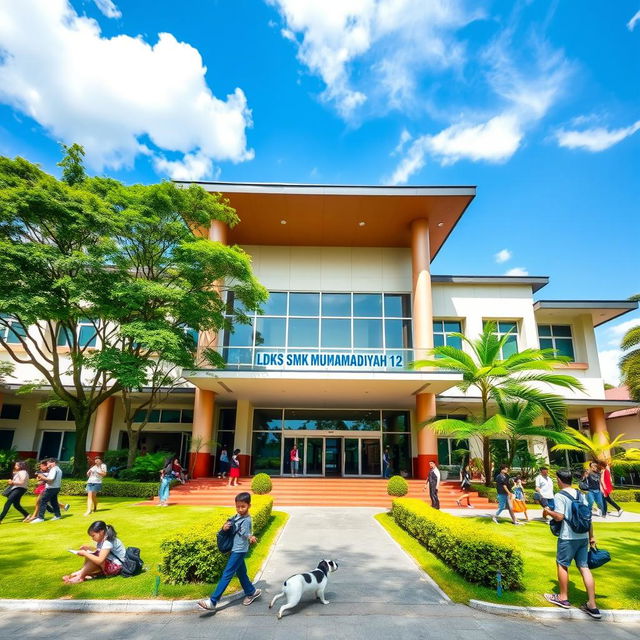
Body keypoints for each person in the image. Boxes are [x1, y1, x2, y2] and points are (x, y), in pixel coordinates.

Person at [543, 469, 600, 619]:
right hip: (583, 537)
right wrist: (591, 537)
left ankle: (562, 597)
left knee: (562, 564)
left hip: (568, 536)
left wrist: (548, 512)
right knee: (584, 567)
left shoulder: (560, 495)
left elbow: (560, 517)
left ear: (559, 480)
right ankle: (592, 605)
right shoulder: (582, 494)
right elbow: (588, 518)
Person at [197, 492, 261, 611]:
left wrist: (250, 537)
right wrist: (224, 527)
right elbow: (232, 527)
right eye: (238, 506)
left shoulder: (247, 520)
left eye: (243, 506)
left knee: (227, 574)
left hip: (239, 550)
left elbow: (245, 532)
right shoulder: (236, 516)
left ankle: (213, 601)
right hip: (235, 548)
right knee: (241, 573)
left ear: (249, 506)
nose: (240, 509)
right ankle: (251, 592)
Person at [31, 458, 70, 523]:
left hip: (51, 488)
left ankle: (40, 518)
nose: (47, 465)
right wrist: (43, 475)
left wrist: (42, 477)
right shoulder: (58, 469)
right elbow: (50, 476)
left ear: (53, 463)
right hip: (56, 488)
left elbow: (51, 479)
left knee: (43, 501)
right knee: (53, 502)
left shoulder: (54, 469)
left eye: (49, 463)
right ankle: (57, 515)